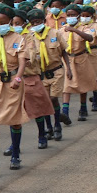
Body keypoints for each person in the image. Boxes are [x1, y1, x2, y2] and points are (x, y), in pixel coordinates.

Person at [0, 5, 28, 172]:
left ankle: (15, 155)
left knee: (15, 121)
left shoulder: (19, 39)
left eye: (3, 22)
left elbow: (23, 61)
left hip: (13, 82)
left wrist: (18, 77)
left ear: (10, 22)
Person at [29, 9, 72, 139]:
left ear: (44, 21)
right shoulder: (30, 37)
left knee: (53, 98)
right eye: (33, 22)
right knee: (45, 102)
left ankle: (57, 125)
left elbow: (63, 51)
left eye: (38, 21)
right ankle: (49, 127)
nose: (36, 24)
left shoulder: (55, 33)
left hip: (56, 70)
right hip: (41, 73)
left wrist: (68, 68)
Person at [17, 9, 56, 149]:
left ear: (23, 24)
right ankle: (15, 145)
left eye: (18, 23)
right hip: (13, 81)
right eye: (13, 23)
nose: (15, 25)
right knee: (15, 115)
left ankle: (42, 134)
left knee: (38, 109)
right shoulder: (6, 37)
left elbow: (32, 54)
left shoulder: (30, 37)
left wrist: (22, 60)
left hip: (29, 77)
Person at [60, 5, 97, 123]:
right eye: (69, 15)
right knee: (67, 87)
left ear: (78, 16)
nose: (70, 17)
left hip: (81, 59)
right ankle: (65, 113)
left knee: (83, 86)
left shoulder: (83, 28)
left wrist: (75, 30)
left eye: (73, 15)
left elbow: (90, 38)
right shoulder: (62, 30)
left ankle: (83, 109)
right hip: (67, 60)